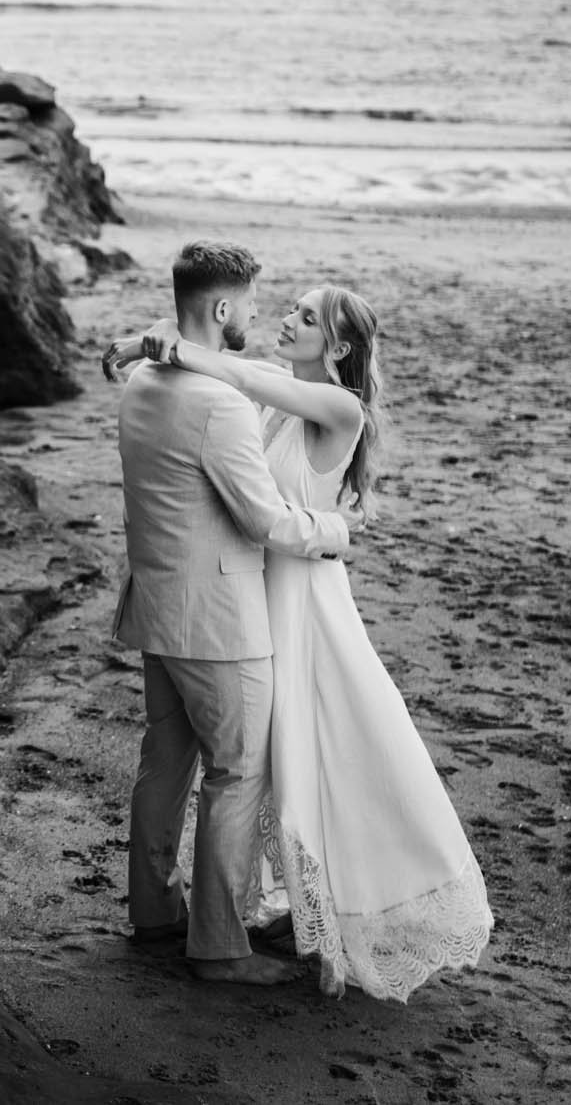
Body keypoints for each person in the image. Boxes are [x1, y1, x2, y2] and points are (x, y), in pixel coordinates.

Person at [106, 274, 495, 1002]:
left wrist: (159, 345)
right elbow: (241, 379)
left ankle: (345, 897)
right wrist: (157, 349)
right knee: (275, 756)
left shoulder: (337, 405)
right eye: (290, 309)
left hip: (304, 600)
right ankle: (275, 910)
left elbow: (238, 370)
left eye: (306, 317)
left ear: (338, 346)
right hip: (258, 594)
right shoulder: (277, 395)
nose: (288, 320)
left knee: (328, 749)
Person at [104, 241, 356, 987]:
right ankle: (218, 947)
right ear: (221, 309)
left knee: (165, 767)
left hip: (155, 607)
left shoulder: (146, 380)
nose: (258, 314)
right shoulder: (219, 404)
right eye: (249, 302)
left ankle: (154, 916)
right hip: (216, 622)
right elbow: (267, 524)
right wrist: (339, 531)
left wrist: (144, 338)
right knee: (236, 774)